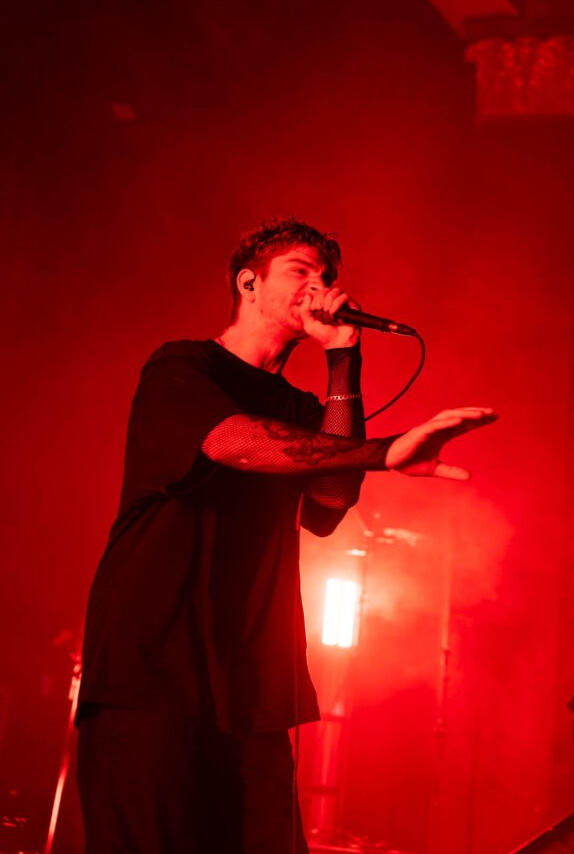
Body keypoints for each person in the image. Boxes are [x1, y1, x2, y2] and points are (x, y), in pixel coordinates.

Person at [76, 216, 496, 854]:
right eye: (300, 270)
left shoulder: (300, 408)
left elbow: (331, 498)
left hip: (251, 680)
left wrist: (344, 356)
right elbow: (236, 443)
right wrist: (385, 453)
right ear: (248, 283)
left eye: (326, 275)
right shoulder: (182, 364)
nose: (319, 285)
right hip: (152, 666)